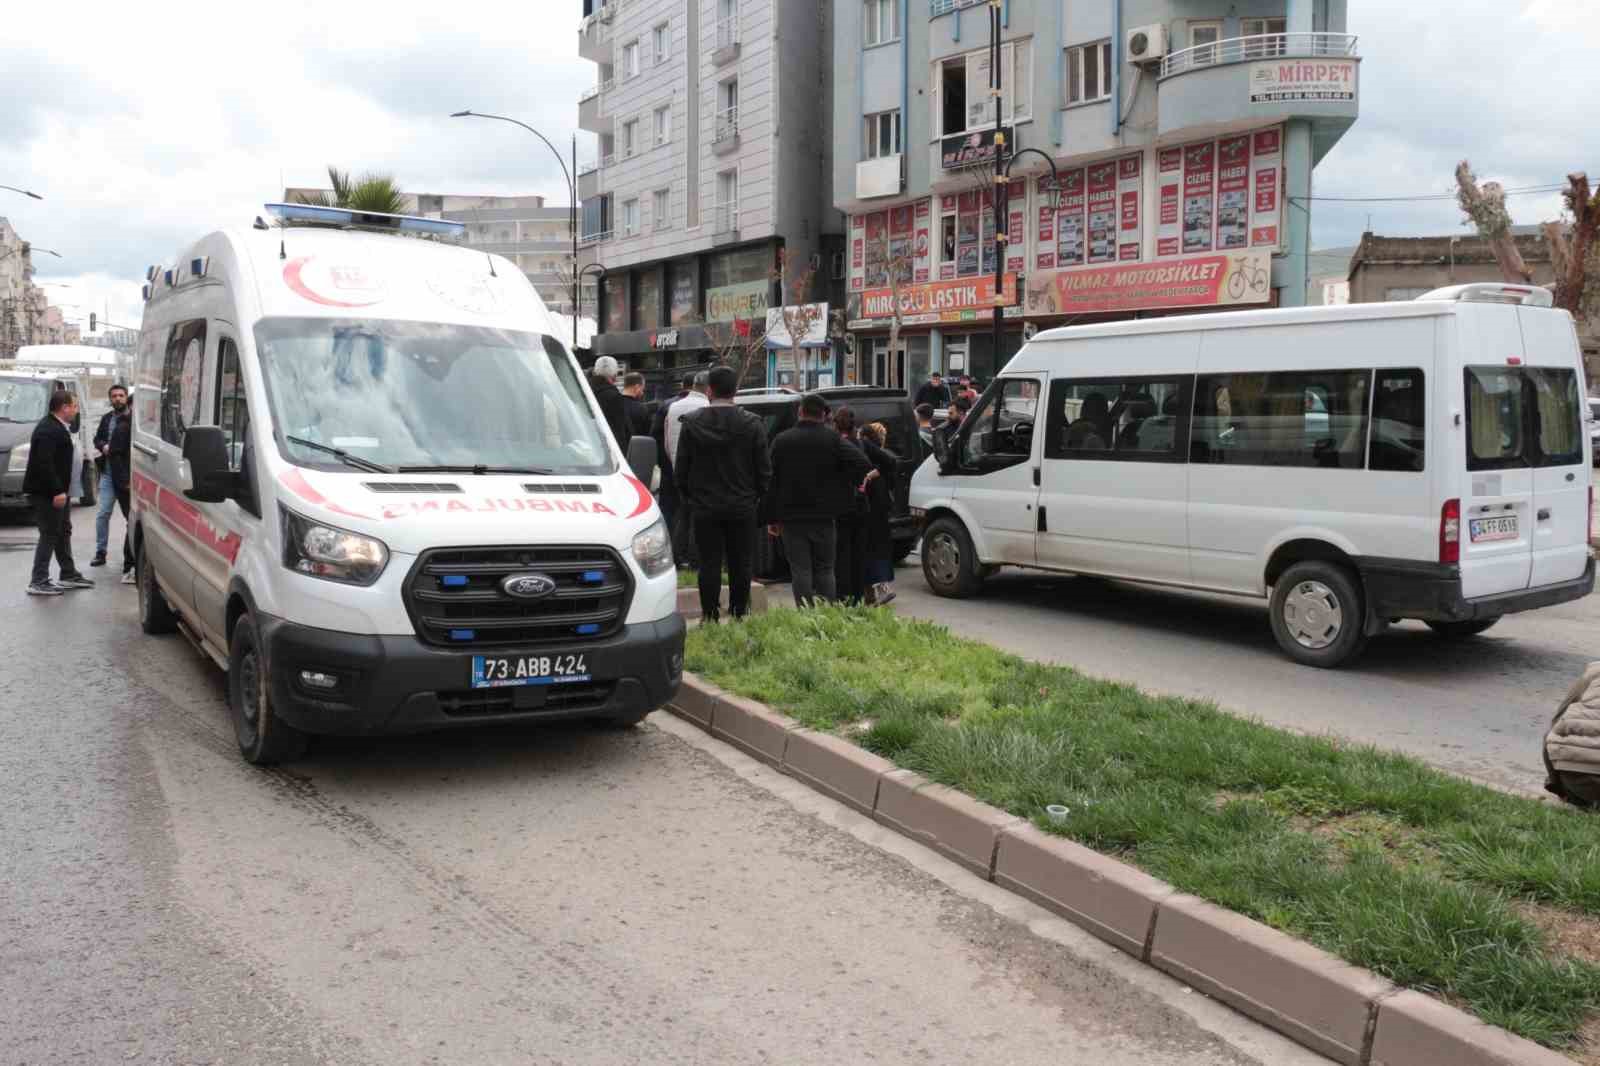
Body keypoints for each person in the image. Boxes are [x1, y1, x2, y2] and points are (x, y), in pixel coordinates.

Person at [675, 366, 771, 623]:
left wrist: (691, 498)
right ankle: (739, 613)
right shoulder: (753, 424)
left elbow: (681, 470)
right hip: (742, 505)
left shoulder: (692, 424)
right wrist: (756, 496)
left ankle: (710, 615)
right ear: (735, 391)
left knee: (708, 563)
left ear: (709, 391)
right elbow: (764, 470)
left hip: (705, 506)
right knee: (741, 562)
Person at [767, 392, 872, 607]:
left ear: (800, 412)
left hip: (791, 517)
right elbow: (861, 463)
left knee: (800, 570)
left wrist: (772, 516)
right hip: (825, 516)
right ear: (823, 415)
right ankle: (828, 614)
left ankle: (806, 616)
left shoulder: (782, 440)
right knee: (825, 568)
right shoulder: (833, 439)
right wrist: (843, 487)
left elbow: (770, 479)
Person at [23, 389, 93, 596]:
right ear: (64, 408)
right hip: (47, 493)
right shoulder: (48, 429)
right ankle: (38, 580)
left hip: (60, 491)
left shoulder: (58, 427)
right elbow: (44, 464)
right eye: (74, 406)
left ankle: (68, 574)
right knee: (49, 533)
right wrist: (57, 491)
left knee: (62, 531)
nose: (76, 410)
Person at [664, 372, 710, 568]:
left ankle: (675, 555)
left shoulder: (673, 407)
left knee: (683, 514)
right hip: (701, 471)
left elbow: (667, 441)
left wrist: (674, 460)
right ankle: (694, 558)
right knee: (697, 517)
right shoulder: (707, 408)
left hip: (677, 466)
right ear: (708, 389)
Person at [830, 406, 874, 606]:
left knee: (841, 553)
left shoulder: (837, 445)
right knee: (858, 553)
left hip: (842, 504)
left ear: (835, 424)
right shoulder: (861, 444)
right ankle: (857, 596)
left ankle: (842, 596)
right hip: (862, 505)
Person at [91, 384, 132, 572]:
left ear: (126, 397)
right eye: (114, 396)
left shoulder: (133, 420)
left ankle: (131, 557)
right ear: (110, 399)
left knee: (130, 517)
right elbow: (97, 439)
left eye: (121, 395)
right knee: (102, 514)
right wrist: (103, 446)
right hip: (108, 474)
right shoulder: (107, 418)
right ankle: (101, 552)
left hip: (125, 476)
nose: (118, 399)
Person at [859, 421, 900, 606]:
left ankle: (876, 590)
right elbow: (892, 481)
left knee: (868, 549)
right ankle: (877, 590)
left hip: (869, 508)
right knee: (880, 549)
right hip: (882, 509)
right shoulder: (886, 456)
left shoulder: (865, 454)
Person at [651, 374, 694, 537]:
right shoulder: (705, 405)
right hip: (694, 470)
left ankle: (668, 540)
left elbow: (655, 435)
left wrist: (661, 462)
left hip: (669, 467)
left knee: (669, 508)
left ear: (683, 385)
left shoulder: (667, 405)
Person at [589, 355, 630, 451]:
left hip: (589, 449)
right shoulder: (614, 397)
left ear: (595, 372)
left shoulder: (584, 392)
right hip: (607, 452)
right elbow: (619, 432)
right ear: (615, 375)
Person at [621, 372, 651, 440]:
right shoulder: (641, 409)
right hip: (634, 448)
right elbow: (646, 436)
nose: (642, 392)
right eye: (642, 388)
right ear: (637, 387)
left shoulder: (614, 403)